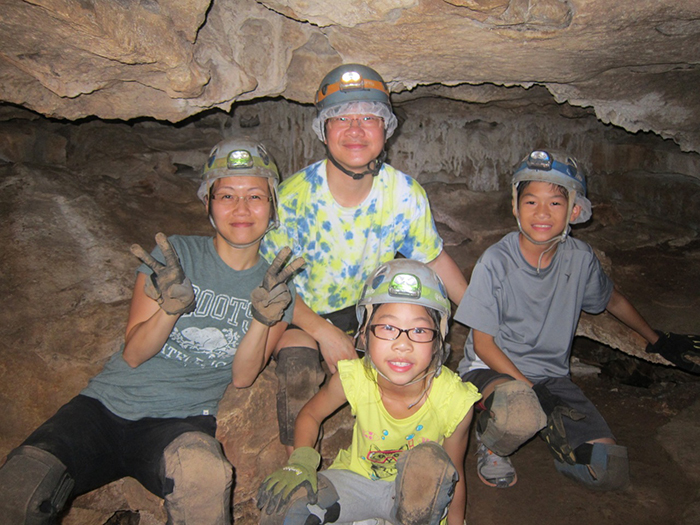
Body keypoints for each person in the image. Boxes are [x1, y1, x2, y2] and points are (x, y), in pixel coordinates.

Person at [0, 137, 303, 524]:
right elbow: (134, 354)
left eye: (255, 196)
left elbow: (243, 378)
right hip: (102, 410)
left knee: (204, 474)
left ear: (272, 205)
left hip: (182, 421)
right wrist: (169, 310)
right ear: (209, 204)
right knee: (20, 488)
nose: (241, 209)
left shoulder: (277, 286)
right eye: (226, 195)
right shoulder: (176, 256)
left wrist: (262, 321)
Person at [454, 149, 700, 492]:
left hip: (552, 378)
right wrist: (531, 389)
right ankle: (494, 442)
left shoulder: (580, 259)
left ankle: (552, 435)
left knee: (606, 470)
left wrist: (655, 338)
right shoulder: (496, 261)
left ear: (575, 210)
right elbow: (483, 344)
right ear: (515, 206)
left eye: (555, 203)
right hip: (491, 370)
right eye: (530, 202)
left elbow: (611, 299)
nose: (542, 213)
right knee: (520, 412)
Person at [260, 63, 467, 453]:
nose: (355, 130)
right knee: (298, 366)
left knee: (413, 356)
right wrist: (324, 332)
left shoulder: (403, 194)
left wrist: (480, 316)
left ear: (385, 130)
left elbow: (434, 260)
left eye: (369, 119)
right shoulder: (292, 198)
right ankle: (297, 465)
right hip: (302, 312)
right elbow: (270, 280)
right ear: (323, 130)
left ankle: (397, 457)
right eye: (341, 118)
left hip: (368, 311)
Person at [257, 259, 481, 525]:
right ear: (364, 332)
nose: (402, 344)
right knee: (288, 509)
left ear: (438, 339)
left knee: (429, 464)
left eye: (419, 330)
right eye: (387, 327)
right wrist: (302, 460)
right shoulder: (356, 378)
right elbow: (310, 415)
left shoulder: (455, 401)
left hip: (417, 498)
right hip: (358, 482)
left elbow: (454, 472)